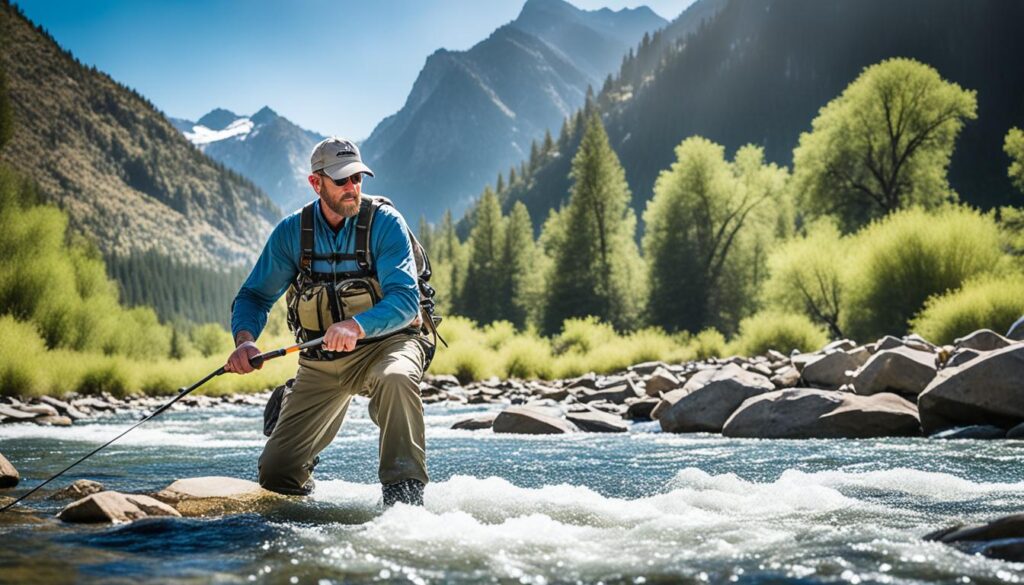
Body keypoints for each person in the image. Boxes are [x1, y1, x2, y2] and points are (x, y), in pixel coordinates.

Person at [225, 137, 429, 506]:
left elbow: (405, 299)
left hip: (389, 345)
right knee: (276, 475)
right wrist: (244, 341)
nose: (352, 188)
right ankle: (292, 405)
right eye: (341, 181)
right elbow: (254, 296)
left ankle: (404, 500)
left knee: (396, 378)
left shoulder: (385, 223)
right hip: (321, 360)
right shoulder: (292, 233)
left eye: (358, 179)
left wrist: (357, 325)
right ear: (316, 183)